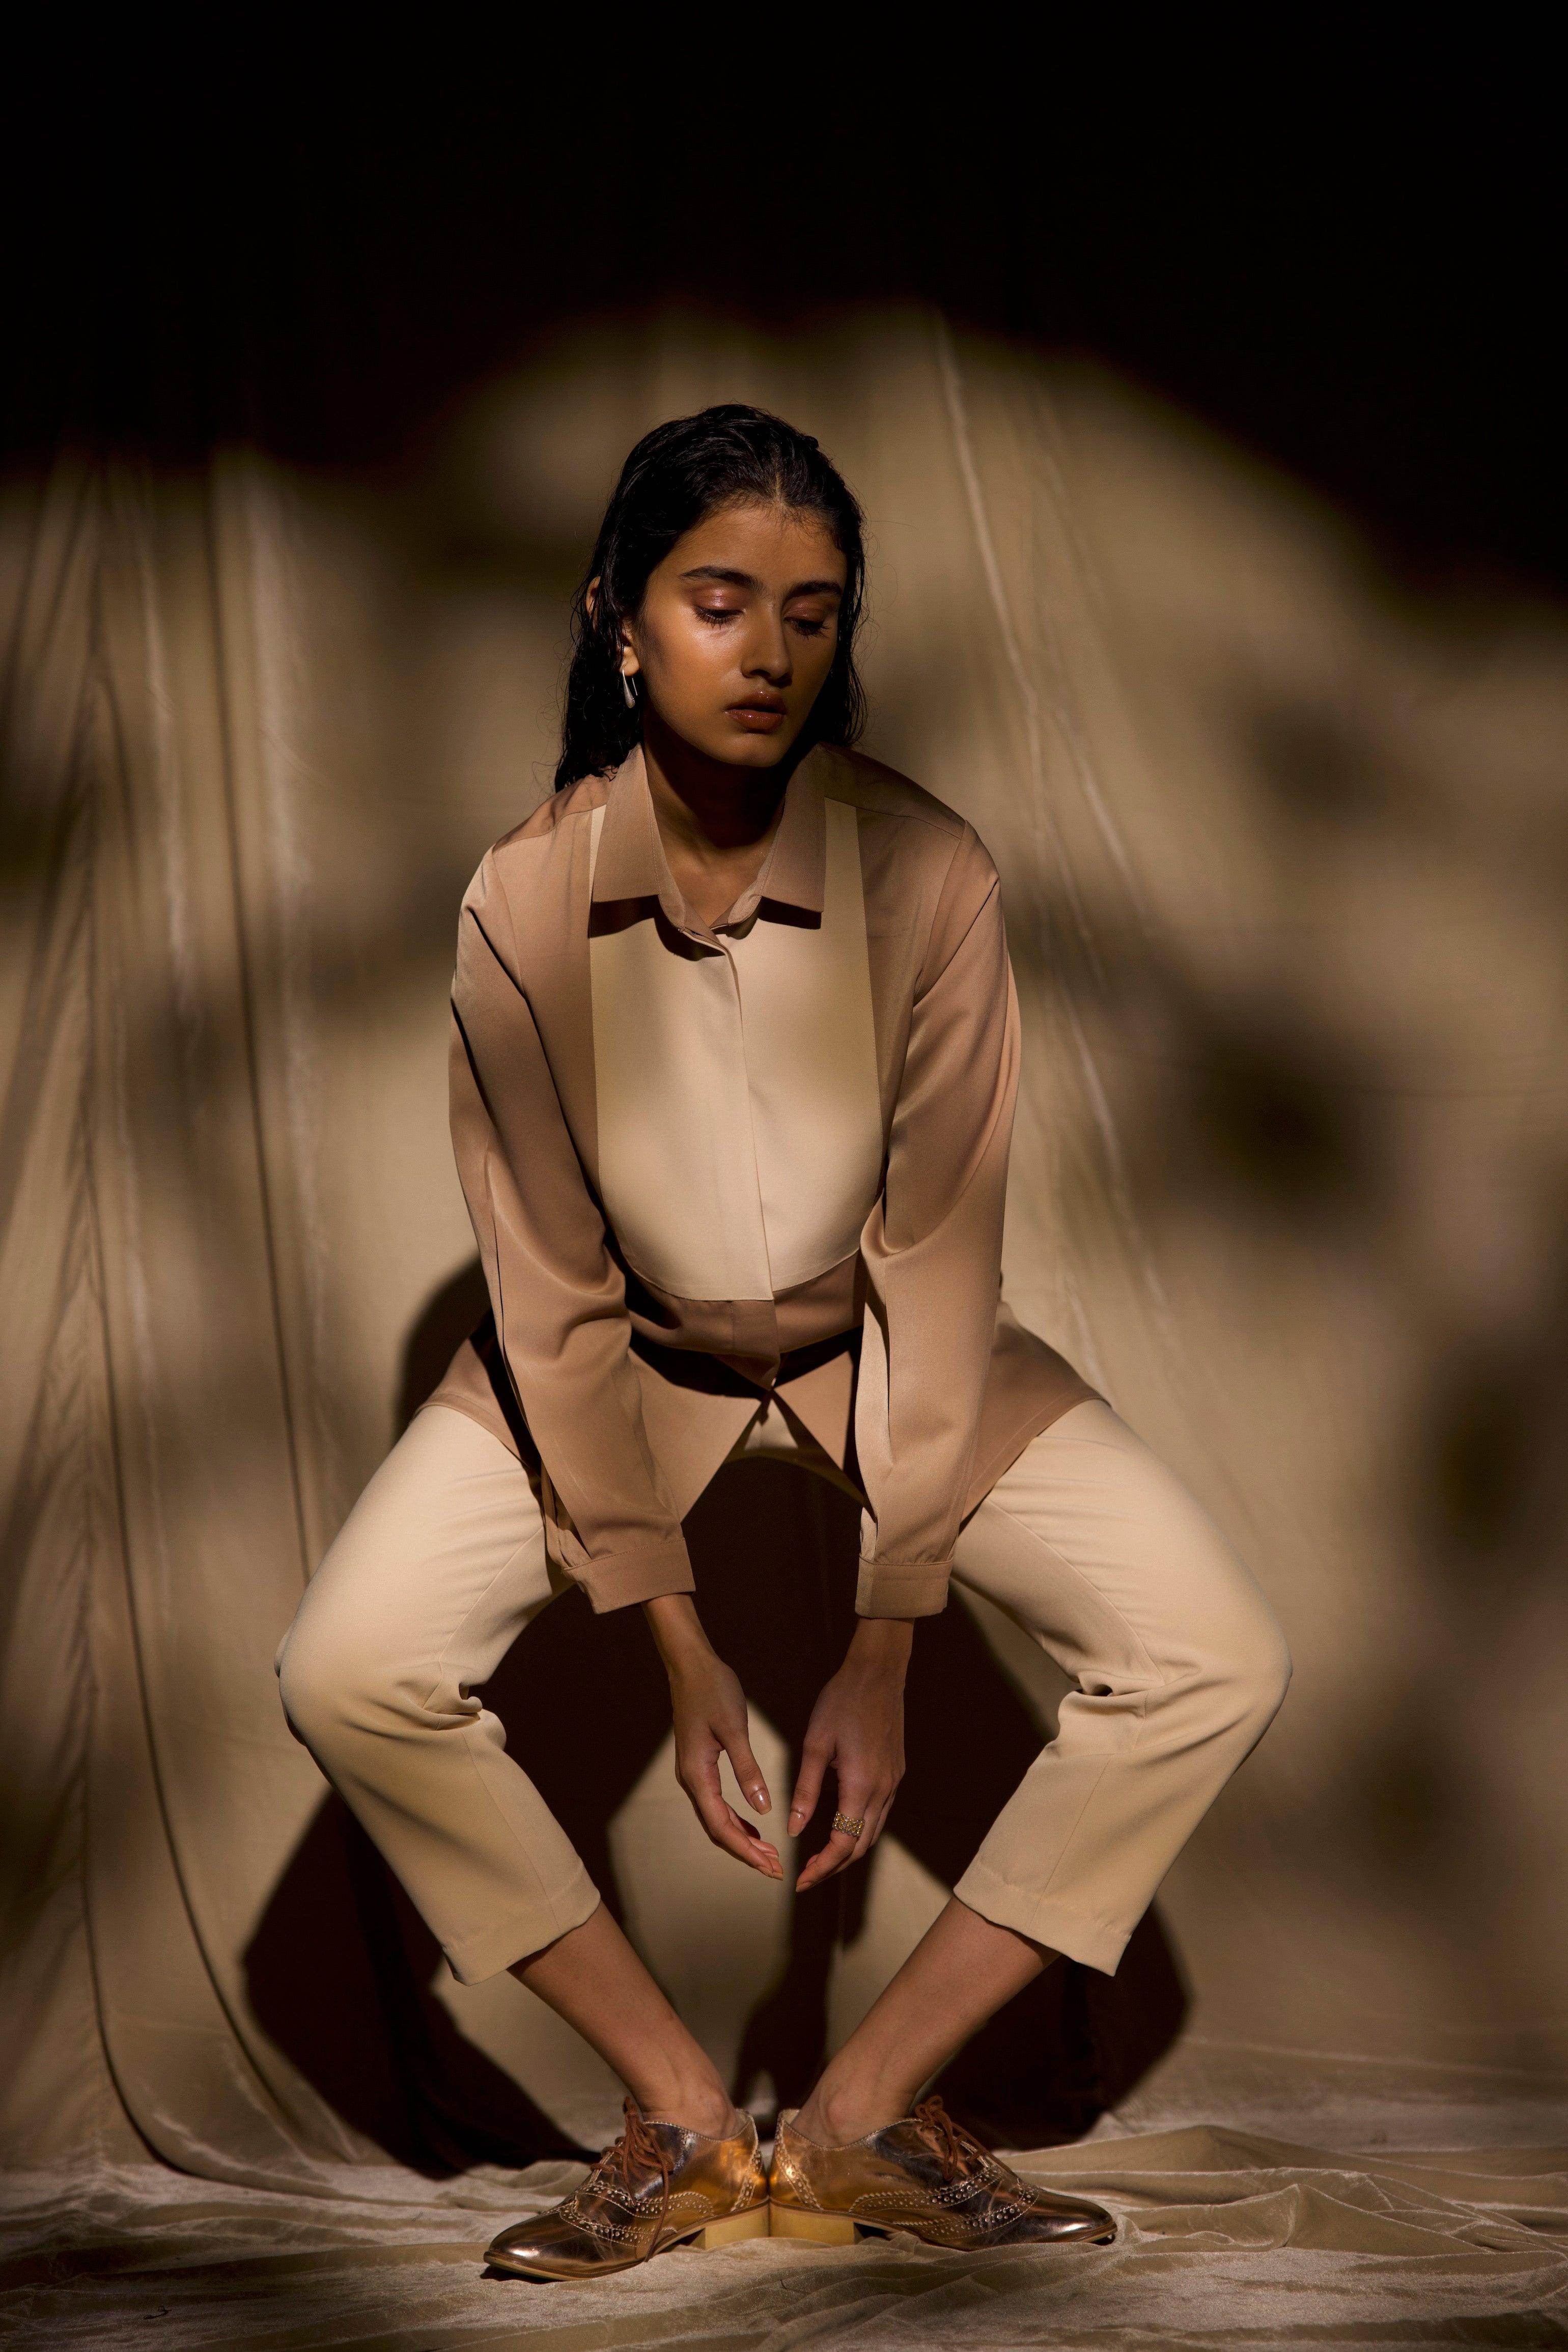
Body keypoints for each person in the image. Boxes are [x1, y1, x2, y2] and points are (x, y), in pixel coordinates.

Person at [274, 403, 1292, 2283]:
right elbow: (553, 1289)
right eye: (719, 601)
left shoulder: (929, 873)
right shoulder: (524, 901)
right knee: (349, 1664)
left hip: (890, 1341)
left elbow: (939, 1256)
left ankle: (863, 2114)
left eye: (811, 615)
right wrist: (676, 1642)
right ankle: (676, 2114)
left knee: (1212, 1650)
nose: (769, 652)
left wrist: (886, 1637)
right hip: (621, 1359)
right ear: (619, 618)